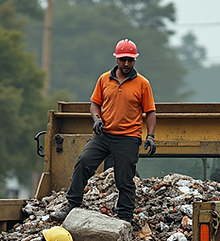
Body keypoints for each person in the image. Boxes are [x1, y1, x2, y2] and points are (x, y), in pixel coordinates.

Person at [53, 39, 157, 225]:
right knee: (84, 161)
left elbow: (150, 112)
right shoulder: (104, 79)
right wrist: (97, 120)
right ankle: (72, 204)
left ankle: (124, 218)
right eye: (123, 59)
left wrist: (150, 136)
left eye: (130, 60)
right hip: (103, 135)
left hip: (128, 138)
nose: (126, 64)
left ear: (135, 60)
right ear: (116, 59)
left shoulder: (143, 84)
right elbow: (95, 104)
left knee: (124, 179)